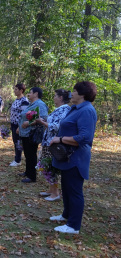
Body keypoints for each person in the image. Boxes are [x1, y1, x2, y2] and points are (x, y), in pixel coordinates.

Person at [49, 81, 97, 234]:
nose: (71, 94)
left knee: (75, 190)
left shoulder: (87, 111)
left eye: (74, 91)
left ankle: (73, 226)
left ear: (82, 94)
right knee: (67, 188)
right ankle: (66, 215)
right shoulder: (75, 108)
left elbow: (85, 137)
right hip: (66, 158)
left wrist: (61, 139)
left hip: (76, 158)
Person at [35, 89, 71, 201]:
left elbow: (56, 126)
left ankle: (55, 193)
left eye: (55, 96)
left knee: (51, 166)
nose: (54, 97)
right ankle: (51, 189)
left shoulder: (65, 110)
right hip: (48, 142)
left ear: (61, 98)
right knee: (46, 165)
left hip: (53, 143)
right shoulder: (59, 109)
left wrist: (43, 122)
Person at [18, 87, 48, 183]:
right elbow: (29, 116)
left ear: (36, 94)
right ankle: (28, 171)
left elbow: (43, 118)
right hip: (25, 133)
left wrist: (28, 123)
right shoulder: (33, 104)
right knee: (27, 153)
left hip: (32, 134)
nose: (28, 94)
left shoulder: (40, 104)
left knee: (31, 154)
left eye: (30, 92)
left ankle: (32, 176)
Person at [9, 83, 29, 167]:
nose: (14, 90)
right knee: (15, 142)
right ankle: (16, 158)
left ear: (21, 90)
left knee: (18, 142)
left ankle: (18, 160)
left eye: (16, 89)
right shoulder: (16, 100)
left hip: (19, 125)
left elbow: (24, 115)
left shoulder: (24, 101)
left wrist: (19, 127)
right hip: (13, 124)